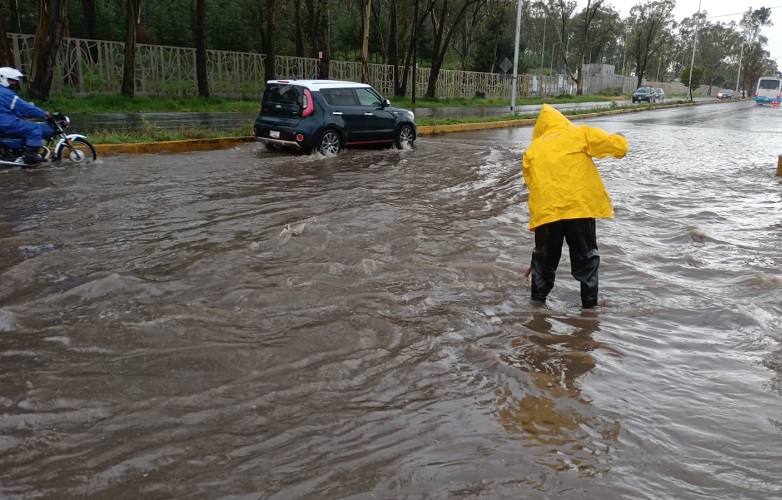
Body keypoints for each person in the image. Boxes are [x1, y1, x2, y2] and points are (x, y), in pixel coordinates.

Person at [521, 103, 628, 309]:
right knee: (587, 260)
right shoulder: (580, 134)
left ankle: (537, 310)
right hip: (579, 208)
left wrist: (542, 243)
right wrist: (620, 137)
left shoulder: (533, 150)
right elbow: (619, 148)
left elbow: (532, 184)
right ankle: (589, 310)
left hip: (548, 213)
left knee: (543, 263)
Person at [0, 67, 51, 165]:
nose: (14, 83)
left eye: (15, 81)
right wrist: (43, 113)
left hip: (5, 120)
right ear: (2, 79)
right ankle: (30, 154)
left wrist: (23, 114)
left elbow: (10, 109)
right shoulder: (6, 93)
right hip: (7, 122)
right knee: (35, 128)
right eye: (11, 80)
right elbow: (24, 107)